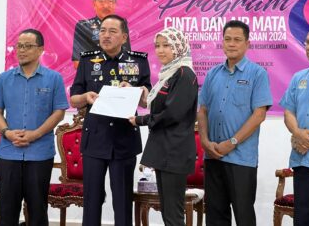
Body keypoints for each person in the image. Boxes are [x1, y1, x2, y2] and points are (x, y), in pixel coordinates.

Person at [70, 14, 151, 226]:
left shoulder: (138, 61)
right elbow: (74, 97)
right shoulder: (88, 60)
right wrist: (86, 97)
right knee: (92, 199)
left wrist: (135, 91)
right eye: (103, 31)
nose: (105, 35)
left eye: (112, 31)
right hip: (95, 139)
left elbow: (146, 99)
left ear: (124, 37)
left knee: (123, 201)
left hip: (124, 140)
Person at [0, 28, 69, 226]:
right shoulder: (4, 78)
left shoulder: (54, 78)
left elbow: (59, 111)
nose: (21, 50)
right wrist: (7, 132)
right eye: (19, 46)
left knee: (37, 210)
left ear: (41, 49)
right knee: (7, 211)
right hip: (8, 153)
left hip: (40, 154)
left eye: (28, 46)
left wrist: (36, 134)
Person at [197, 20, 272, 226]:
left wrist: (231, 142)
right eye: (227, 39)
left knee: (243, 215)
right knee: (215, 215)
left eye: (237, 40)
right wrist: (204, 141)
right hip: (213, 156)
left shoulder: (258, 74)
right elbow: (202, 110)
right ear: (222, 42)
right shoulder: (212, 74)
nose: (232, 44)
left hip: (241, 159)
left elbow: (259, 115)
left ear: (247, 44)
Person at [129, 27, 198, 225]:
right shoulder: (168, 75)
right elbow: (158, 104)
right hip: (164, 149)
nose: (160, 50)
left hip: (174, 151)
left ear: (179, 47)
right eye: (157, 46)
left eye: (166, 45)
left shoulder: (184, 74)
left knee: (173, 213)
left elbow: (172, 114)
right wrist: (135, 94)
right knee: (168, 211)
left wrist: (140, 120)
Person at [279, 21, 309, 226]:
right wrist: (297, 133)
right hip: (302, 161)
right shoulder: (299, 78)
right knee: (304, 219)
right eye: (307, 42)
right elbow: (289, 111)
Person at [71, 0, 131, 69]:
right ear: (94, 4)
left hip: (118, 80)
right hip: (92, 80)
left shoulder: (122, 24)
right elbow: (77, 63)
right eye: (102, 1)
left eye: (110, 1)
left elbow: (127, 61)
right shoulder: (83, 27)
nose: (106, 6)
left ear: (115, 4)